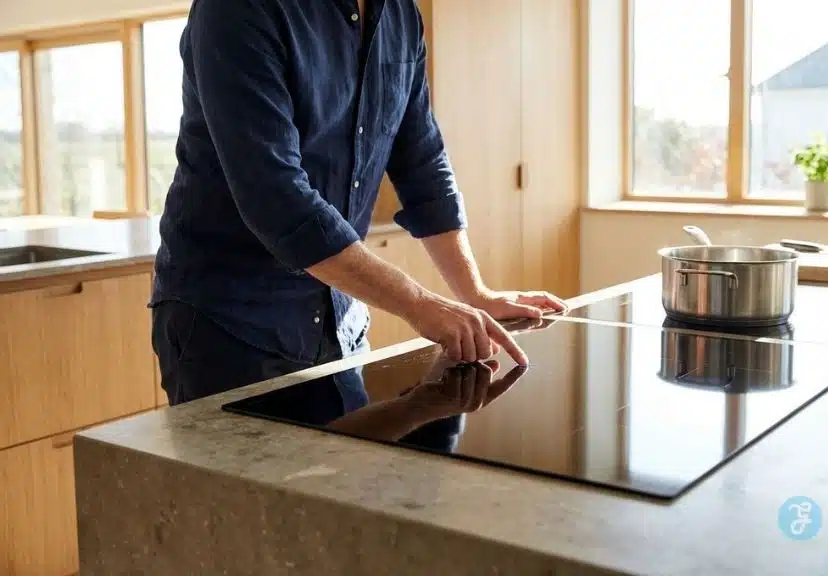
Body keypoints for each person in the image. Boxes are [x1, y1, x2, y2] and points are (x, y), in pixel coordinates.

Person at [150, 0, 569, 406]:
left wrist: (473, 292)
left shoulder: (401, 15)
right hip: (232, 326)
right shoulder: (240, 9)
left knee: (343, 477)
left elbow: (422, 162)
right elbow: (276, 197)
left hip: (339, 321)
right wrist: (420, 304)